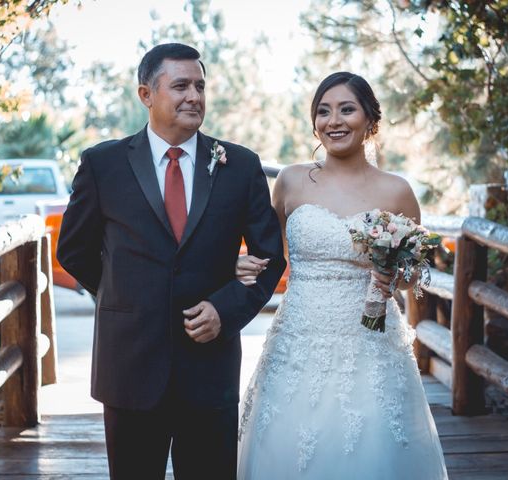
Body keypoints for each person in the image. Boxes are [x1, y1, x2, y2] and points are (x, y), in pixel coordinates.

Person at [56, 43, 285, 480]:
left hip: (209, 368)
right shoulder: (103, 164)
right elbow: (73, 249)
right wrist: (125, 293)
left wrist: (226, 308)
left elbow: (268, 258)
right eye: (180, 85)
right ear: (146, 94)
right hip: (129, 366)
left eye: (200, 85)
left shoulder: (239, 165)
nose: (194, 96)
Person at [236, 72, 448, 479]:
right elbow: (269, 254)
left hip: (369, 341)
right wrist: (234, 265)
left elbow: (412, 273)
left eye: (347, 109)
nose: (334, 120)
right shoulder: (290, 181)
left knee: (370, 445)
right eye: (323, 111)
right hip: (297, 338)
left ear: (370, 119)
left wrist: (391, 276)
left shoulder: (397, 190)